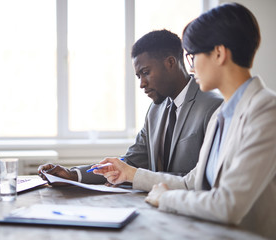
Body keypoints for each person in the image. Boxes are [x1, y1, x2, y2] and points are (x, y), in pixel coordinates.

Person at [94, 3, 276, 239]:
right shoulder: (224, 113)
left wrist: (166, 197)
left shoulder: (266, 110)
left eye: (191, 56)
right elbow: (192, 183)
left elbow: (228, 204)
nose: (189, 66)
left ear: (219, 54)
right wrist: (130, 174)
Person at [38, 30, 222, 184]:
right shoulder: (155, 110)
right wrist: (74, 175)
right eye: (138, 76)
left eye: (146, 72)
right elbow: (131, 162)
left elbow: (203, 180)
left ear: (170, 63)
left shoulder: (213, 106)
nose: (142, 84)